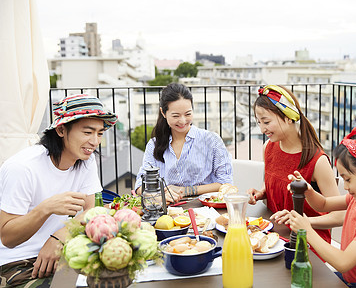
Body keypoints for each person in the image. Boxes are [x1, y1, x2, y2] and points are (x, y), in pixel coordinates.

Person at [0, 94, 118, 287]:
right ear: (62, 130)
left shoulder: (85, 160)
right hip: (17, 263)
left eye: (100, 133)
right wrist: (45, 209)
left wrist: (60, 236)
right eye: (87, 132)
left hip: (63, 252)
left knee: (120, 275)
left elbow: (95, 210)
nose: (95, 142)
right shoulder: (22, 167)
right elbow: (8, 237)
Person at [279, 128, 356, 287]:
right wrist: (308, 190)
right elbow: (323, 204)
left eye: (348, 179)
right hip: (351, 278)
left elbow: (343, 262)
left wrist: (307, 230)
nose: (346, 186)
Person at [247, 84, 341, 247]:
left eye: (266, 122)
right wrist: (262, 192)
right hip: (274, 237)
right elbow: (273, 180)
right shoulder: (268, 148)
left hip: (307, 244)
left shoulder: (317, 160)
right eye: (259, 123)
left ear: (288, 116)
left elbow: (339, 216)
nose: (262, 129)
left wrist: (301, 222)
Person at [135, 83, 233, 202]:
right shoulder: (154, 144)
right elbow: (140, 186)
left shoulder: (211, 140)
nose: (182, 121)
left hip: (206, 207)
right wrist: (161, 195)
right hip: (168, 208)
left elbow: (225, 183)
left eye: (188, 114)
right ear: (163, 113)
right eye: (176, 116)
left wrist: (185, 190)